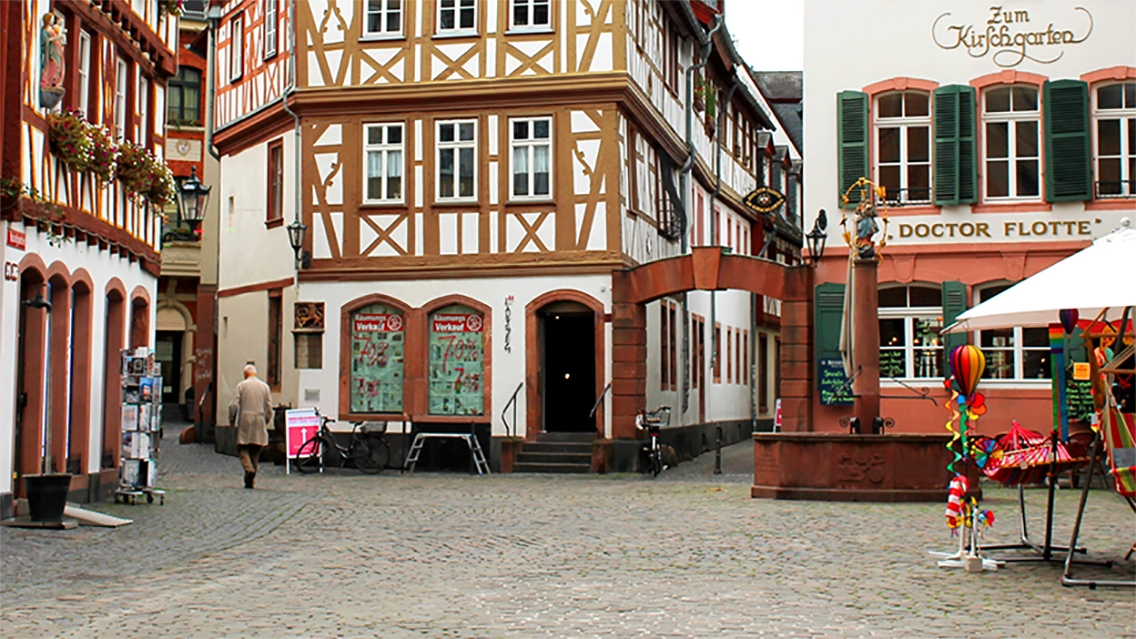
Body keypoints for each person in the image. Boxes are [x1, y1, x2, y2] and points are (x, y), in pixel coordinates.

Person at [231, 364, 273, 489]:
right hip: (259, 419)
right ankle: (250, 481)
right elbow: (269, 407)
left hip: (245, 419)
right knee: (255, 450)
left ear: (245, 374)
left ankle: (249, 470)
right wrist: (266, 419)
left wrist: (232, 419)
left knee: (242, 448)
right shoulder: (264, 386)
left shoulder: (241, 385)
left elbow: (233, 405)